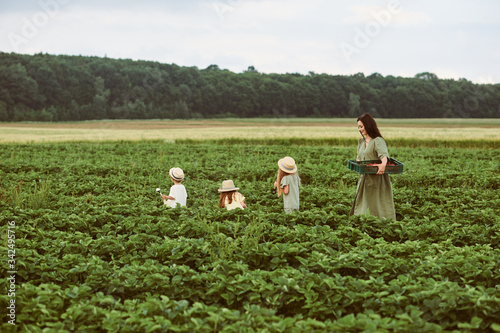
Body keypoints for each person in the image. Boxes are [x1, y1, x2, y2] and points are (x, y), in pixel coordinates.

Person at [350, 113, 396, 219]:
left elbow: (384, 156)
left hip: (377, 179)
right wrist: (357, 163)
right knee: (362, 203)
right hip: (364, 178)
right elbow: (359, 158)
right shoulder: (361, 141)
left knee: (376, 205)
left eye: (361, 126)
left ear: (368, 125)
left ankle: (380, 227)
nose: (359, 129)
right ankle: (362, 225)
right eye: (358, 127)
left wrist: (383, 164)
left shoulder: (378, 140)